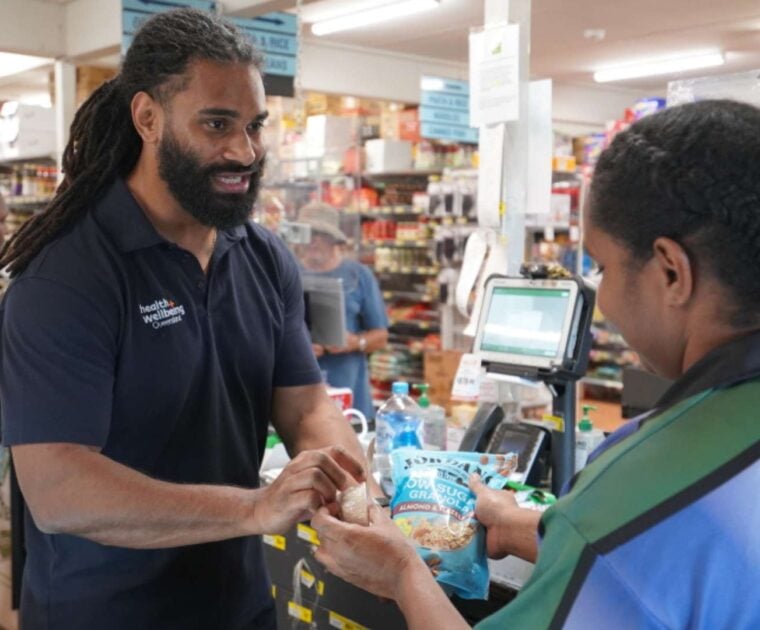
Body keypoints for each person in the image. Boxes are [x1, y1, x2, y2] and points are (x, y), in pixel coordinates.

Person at [311, 99, 760, 629]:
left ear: (670, 272)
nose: (603, 300)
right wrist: (522, 526)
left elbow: (635, 540)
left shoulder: (654, 478)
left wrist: (402, 572)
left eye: (602, 267)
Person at [0, 9, 370, 630]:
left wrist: (352, 488)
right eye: (217, 124)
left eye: (254, 126)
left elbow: (306, 406)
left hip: (239, 602)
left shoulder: (262, 255)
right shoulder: (67, 277)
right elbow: (59, 487)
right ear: (148, 118)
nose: (244, 151)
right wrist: (256, 508)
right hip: (103, 614)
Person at [296, 202, 388, 419]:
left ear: (333, 239)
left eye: (320, 234)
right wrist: (295, 347)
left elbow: (381, 336)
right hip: (298, 392)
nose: (313, 240)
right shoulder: (286, 273)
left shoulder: (358, 276)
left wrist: (356, 342)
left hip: (348, 391)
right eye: (308, 233)